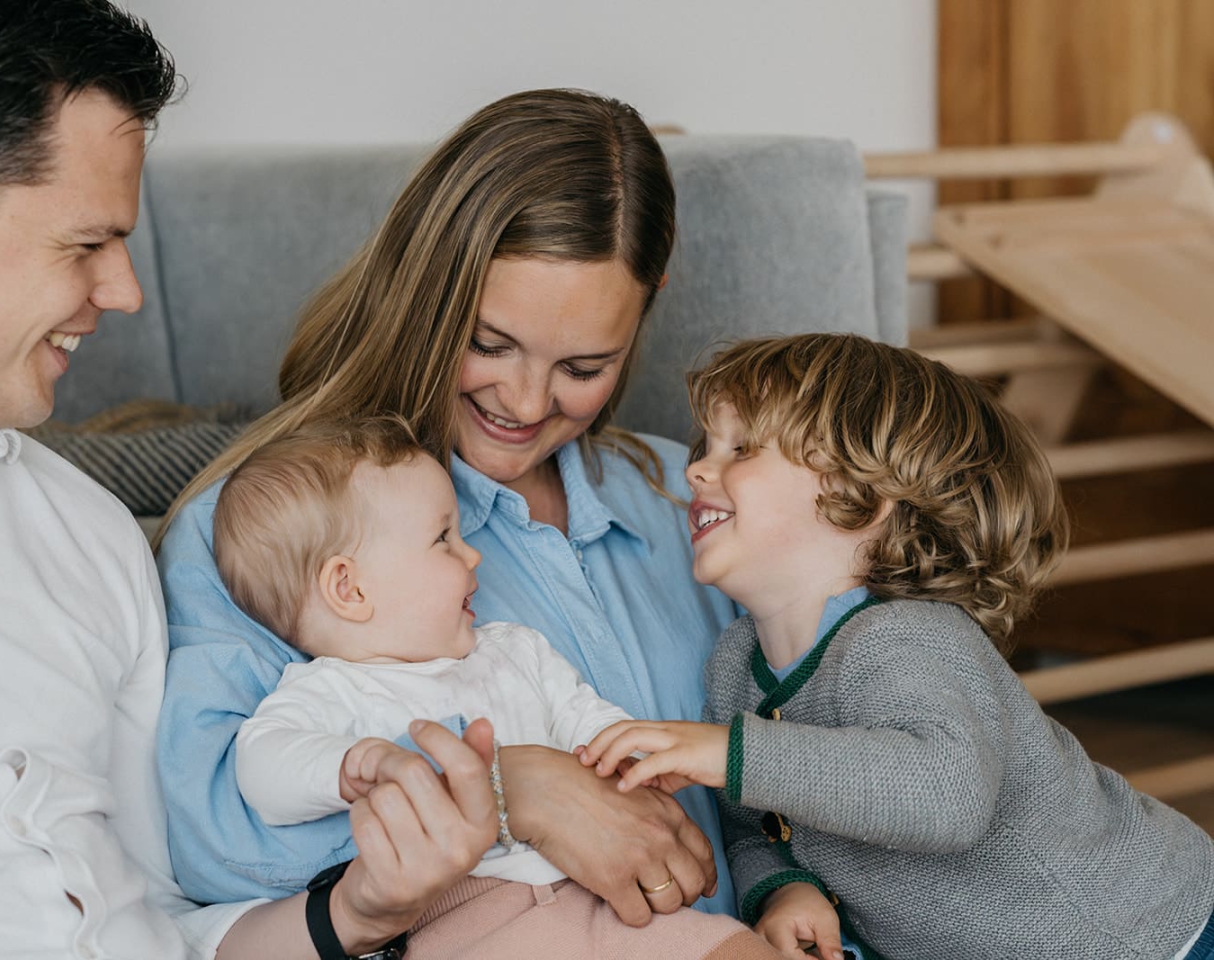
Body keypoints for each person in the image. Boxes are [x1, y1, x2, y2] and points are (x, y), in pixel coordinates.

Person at [0, 1, 496, 957]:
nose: (124, 291)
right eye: (85, 244)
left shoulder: (85, 532)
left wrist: (359, 912)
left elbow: (167, 918)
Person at [155, 87, 740, 934]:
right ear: (426, 296)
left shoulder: (689, 494)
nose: (527, 401)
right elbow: (209, 840)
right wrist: (513, 790)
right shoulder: (266, 528)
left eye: (583, 365)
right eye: (490, 345)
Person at [578, 333, 1214, 960]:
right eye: (705, 445)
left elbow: (947, 794)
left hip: (1149, 932)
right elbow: (753, 821)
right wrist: (785, 888)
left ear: (862, 497)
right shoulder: (733, 669)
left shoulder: (906, 635)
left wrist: (730, 753)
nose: (695, 468)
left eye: (741, 447)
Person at [211, 416, 777, 959]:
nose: (473, 552)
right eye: (444, 539)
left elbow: (585, 715)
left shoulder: (512, 647)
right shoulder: (329, 691)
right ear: (350, 589)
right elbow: (261, 768)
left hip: (595, 896)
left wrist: (633, 754)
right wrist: (355, 764)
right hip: (464, 917)